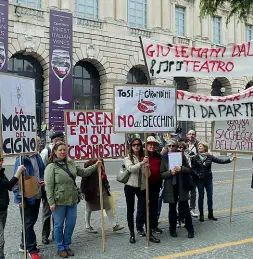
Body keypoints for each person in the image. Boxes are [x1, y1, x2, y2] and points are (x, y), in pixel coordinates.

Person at [44, 141, 102, 258]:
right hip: (59, 201)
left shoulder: (70, 163)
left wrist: (96, 165)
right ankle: (60, 247)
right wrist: (51, 203)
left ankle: (67, 244)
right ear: (55, 152)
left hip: (72, 200)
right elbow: (48, 187)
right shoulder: (51, 167)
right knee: (59, 225)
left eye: (64, 150)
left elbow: (84, 172)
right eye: (60, 150)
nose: (62, 152)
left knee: (71, 223)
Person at [13, 137, 45, 259]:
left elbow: (40, 172)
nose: (38, 145)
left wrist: (41, 181)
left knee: (30, 222)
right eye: (36, 143)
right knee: (28, 223)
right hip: (26, 196)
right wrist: (18, 199)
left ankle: (24, 244)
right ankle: (31, 249)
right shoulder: (21, 159)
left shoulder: (37, 157)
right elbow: (16, 180)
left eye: (38, 143)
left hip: (36, 193)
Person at [191, 142, 236, 222]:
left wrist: (231, 159)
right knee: (201, 197)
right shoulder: (195, 157)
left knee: (210, 197)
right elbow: (192, 168)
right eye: (199, 146)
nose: (199, 147)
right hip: (199, 180)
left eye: (201, 146)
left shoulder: (210, 156)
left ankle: (210, 214)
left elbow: (220, 161)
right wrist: (197, 174)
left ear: (205, 148)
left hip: (208, 179)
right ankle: (201, 215)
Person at [161, 139, 195, 239]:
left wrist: (181, 169)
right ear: (167, 147)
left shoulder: (181, 156)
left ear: (176, 147)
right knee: (172, 209)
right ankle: (172, 229)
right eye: (169, 146)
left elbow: (189, 169)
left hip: (181, 186)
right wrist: (170, 173)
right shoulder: (164, 158)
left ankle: (190, 229)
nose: (171, 148)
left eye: (173, 146)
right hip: (171, 187)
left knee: (185, 208)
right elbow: (161, 174)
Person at [80, 158, 123, 234]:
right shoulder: (88, 163)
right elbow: (84, 178)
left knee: (107, 206)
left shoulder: (101, 161)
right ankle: (87, 226)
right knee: (89, 208)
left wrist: (107, 185)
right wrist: (82, 190)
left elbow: (104, 174)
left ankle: (114, 225)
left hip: (102, 189)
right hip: (91, 190)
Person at [123, 138, 150, 244]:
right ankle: (132, 233)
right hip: (130, 186)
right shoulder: (127, 157)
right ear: (131, 146)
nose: (136, 146)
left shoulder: (144, 157)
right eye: (134, 145)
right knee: (130, 210)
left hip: (142, 187)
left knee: (143, 207)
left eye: (138, 144)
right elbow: (131, 169)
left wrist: (147, 168)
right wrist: (142, 163)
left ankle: (142, 228)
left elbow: (148, 175)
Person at [40, 132, 64, 245]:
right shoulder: (46, 152)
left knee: (58, 213)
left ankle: (56, 234)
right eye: (59, 140)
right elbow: (41, 169)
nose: (61, 142)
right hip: (48, 187)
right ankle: (45, 235)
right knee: (46, 212)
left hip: (59, 188)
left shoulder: (62, 151)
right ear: (54, 140)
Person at [0, 156, 25, 259]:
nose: (1, 163)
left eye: (1, 160)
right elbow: (8, 184)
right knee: (0, 240)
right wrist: (18, 172)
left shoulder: (1, 172)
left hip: (3, 208)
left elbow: (9, 187)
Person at [186, 130, 199, 218]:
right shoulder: (183, 143)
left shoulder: (198, 144)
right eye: (190, 134)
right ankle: (184, 209)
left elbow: (202, 154)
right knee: (183, 191)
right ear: (187, 135)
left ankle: (192, 209)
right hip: (184, 170)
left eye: (193, 134)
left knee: (193, 191)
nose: (191, 135)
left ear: (195, 135)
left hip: (194, 171)